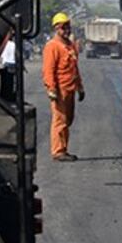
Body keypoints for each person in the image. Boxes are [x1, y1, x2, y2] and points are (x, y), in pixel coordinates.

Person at [42, 12, 85, 162]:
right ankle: (58, 151)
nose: (66, 30)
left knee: (68, 120)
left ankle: (64, 149)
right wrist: (51, 89)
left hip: (70, 89)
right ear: (56, 28)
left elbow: (75, 69)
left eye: (67, 27)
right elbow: (48, 70)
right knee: (60, 121)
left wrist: (80, 87)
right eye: (63, 27)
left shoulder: (70, 46)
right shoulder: (52, 46)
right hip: (59, 90)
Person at [0, 33, 17, 102]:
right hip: (11, 64)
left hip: (4, 65)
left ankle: (3, 96)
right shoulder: (12, 44)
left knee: (4, 82)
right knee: (10, 82)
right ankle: (9, 96)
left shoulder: (2, 44)